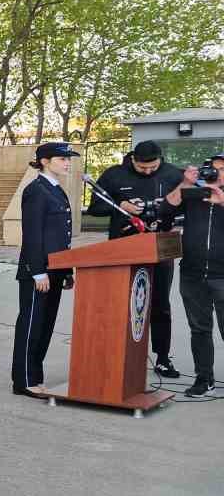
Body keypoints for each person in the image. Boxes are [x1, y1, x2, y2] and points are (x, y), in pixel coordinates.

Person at [85, 140, 185, 378]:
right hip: (123, 247)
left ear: (161, 158)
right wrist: (121, 205)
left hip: (160, 247)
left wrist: (178, 224)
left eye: (153, 167)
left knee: (161, 305)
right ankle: (118, 354)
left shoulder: (174, 174)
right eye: (142, 168)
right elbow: (95, 207)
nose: (148, 171)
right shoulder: (114, 175)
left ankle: (162, 358)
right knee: (123, 304)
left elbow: (187, 205)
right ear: (133, 160)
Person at [12, 142, 80, 398]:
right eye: (62, 159)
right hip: (38, 271)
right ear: (44, 161)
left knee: (45, 325)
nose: (67, 163)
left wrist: (67, 270)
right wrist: (37, 271)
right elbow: (32, 235)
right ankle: (24, 380)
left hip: (56, 270)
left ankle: (35, 376)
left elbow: (60, 235)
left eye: (68, 159)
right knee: (31, 325)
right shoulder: (36, 190)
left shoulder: (56, 189)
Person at [156, 154, 224, 397]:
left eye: (222, 169)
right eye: (213, 169)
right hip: (193, 274)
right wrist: (185, 184)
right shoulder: (195, 194)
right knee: (200, 329)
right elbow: (164, 209)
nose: (216, 174)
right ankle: (204, 378)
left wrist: (221, 200)